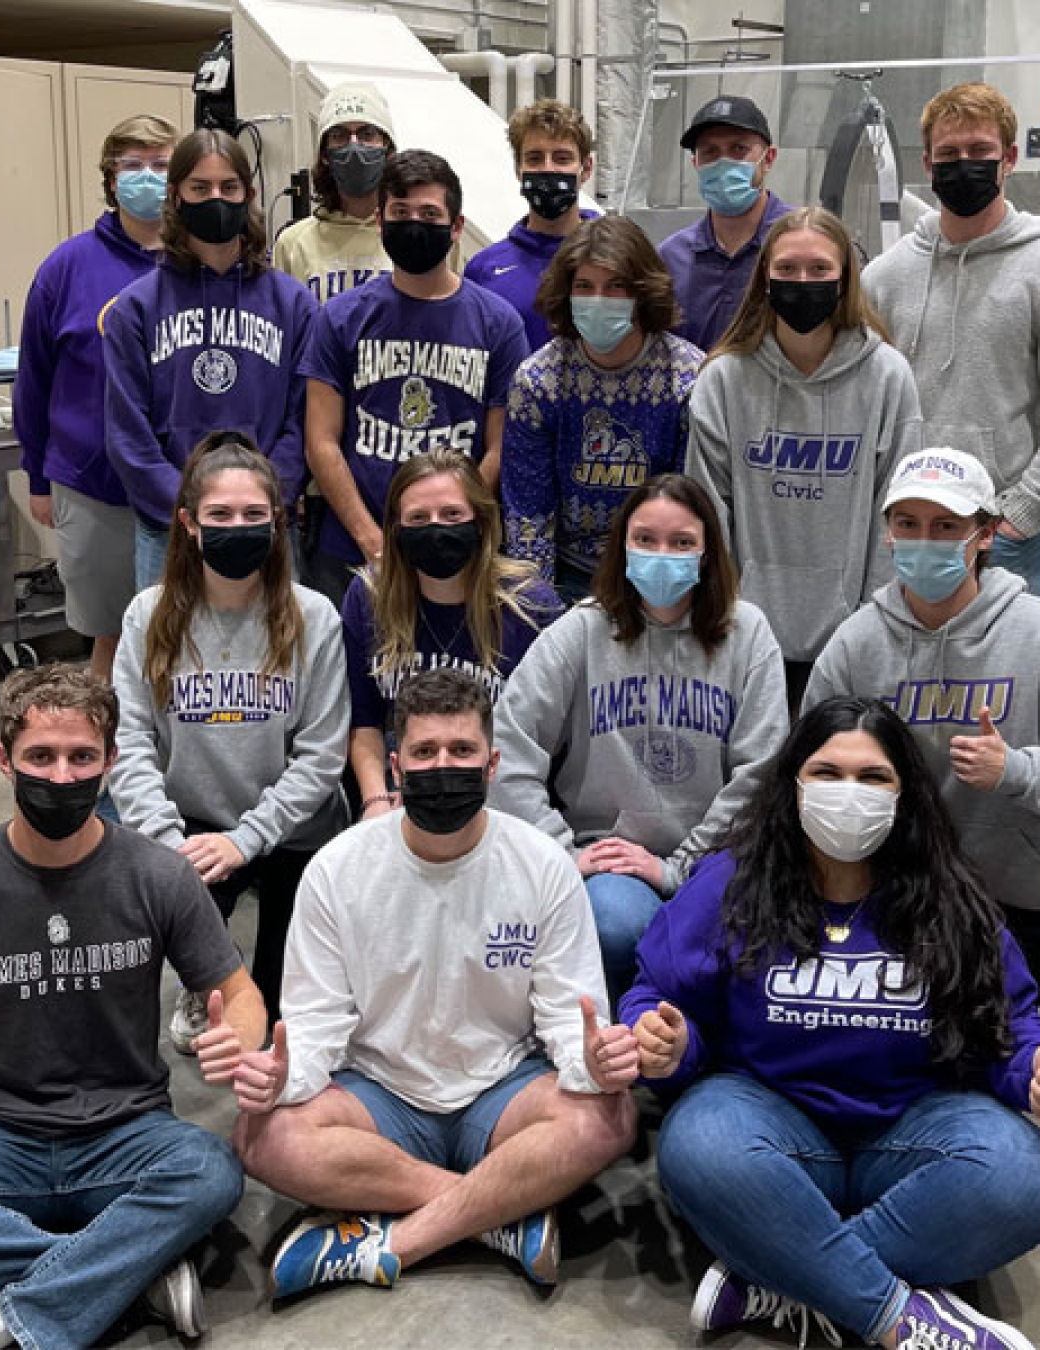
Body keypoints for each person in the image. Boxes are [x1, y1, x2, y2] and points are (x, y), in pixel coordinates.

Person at [623, 695, 1040, 1350]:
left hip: (908, 1132)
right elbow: (659, 997)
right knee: (697, 1143)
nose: (848, 793)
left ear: (905, 794)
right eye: (826, 773)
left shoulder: (948, 893)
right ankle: (896, 1317)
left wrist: (1039, 1073)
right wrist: (668, 1044)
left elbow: (1007, 1028)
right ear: (793, 784)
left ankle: (777, 1278)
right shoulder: (733, 881)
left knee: (1027, 1178)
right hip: (769, 1124)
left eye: (873, 778)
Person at [0, 664, 265, 1350]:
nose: (62, 777)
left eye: (81, 757)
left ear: (110, 762)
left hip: (128, 1135)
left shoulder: (159, 876)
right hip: (2, 1140)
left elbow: (239, 995)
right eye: (41, 756)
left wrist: (239, 1039)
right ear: (4, 759)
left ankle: (2, 1313)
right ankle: (131, 1274)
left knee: (211, 1172)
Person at [229, 668, 638, 1298]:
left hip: (501, 1091)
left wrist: (595, 1061)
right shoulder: (337, 870)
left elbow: (566, 1017)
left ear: (493, 763)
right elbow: (315, 1024)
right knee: (262, 1135)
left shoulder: (543, 866)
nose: (442, 766)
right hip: (380, 1093)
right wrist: (285, 1076)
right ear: (395, 767)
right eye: (425, 752)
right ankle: (495, 1215)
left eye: (461, 751)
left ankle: (394, 1242)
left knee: (607, 1118)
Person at [804, 449, 1040, 1020]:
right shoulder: (855, 645)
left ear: (983, 535)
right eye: (907, 524)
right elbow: (806, 767)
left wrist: (1017, 771)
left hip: (1022, 895)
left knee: (990, 1050)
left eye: (946, 527)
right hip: (898, 889)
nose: (923, 541)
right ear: (887, 533)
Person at [491, 474, 788, 1005]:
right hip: (611, 862)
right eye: (645, 539)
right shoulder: (580, 631)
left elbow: (763, 772)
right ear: (621, 545)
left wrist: (679, 867)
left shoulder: (748, 633)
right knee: (616, 922)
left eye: (681, 543)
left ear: (707, 551)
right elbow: (507, 748)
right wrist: (563, 853)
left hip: (718, 861)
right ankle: (618, 1051)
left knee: (738, 943)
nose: (662, 554)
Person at [110, 435, 348, 1051]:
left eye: (253, 516)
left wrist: (248, 838)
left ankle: (253, 965)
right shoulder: (148, 615)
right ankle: (204, 969)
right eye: (219, 516)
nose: (236, 528)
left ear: (278, 522)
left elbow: (323, 754)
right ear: (189, 524)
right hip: (191, 828)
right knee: (169, 908)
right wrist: (168, 846)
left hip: (295, 829)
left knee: (272, 1021)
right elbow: (128, 743)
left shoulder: (313, 616)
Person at [863, 82, 1040, 596]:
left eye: (980, 151)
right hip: (904, 527)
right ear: (928, 165)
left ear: (1009, 159)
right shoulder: (883, 278)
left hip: (996, 531)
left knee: (1001, 675)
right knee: (897, 671)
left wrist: (1019, 515)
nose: (963, 164)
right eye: (949, 153)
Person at [685, 206, 922, 701]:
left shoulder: (887, 377)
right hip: (745, 632)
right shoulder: (723, 379)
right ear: (765, 277)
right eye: (787, 269)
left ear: (845, 279)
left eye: (819, 269)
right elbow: (708, 511)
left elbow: (899, 512)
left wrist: (875, 625)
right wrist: (723, 615)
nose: (802, 280)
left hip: (853, 635)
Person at [301, 149, 530, 608]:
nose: (414, 225)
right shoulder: (340, 318)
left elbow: (502, 445)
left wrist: (448, 526)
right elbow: (321, 441)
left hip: (460, 550)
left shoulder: (498, 324)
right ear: (381, 223)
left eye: (430, 214)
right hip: (353, 548)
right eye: (400, 213)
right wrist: (374, 542)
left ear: (457, 227)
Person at [104, 128, 319, 589]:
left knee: (278, 654)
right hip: (171, 529)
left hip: (266, 527)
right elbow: (128, 433)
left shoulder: (294, 304)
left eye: (228, 187)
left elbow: (304, 423)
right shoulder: (135, 308)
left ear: (249, 195)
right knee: (167, 656)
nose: (215, 198)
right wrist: (192, 512)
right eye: (200, 188)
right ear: (176, 197)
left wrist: (263, 503)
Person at [15, 113, 177, 683]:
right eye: (132, 166)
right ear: (110, 179)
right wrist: (38, 477)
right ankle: (101, 760)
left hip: (176, 486)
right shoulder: (67, 267)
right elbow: (34, 379)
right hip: (92, 484)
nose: (147, 178)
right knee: (109, 633)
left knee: (176, 635)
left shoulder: (197, 265)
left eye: (160, 165)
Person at [343, 447, 562, 820]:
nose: (436, 528)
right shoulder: (369, 596)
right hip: (402, 789)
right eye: (418, 518)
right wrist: (376, 801)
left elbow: (549, 739)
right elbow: (363, 718)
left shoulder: (530, 606)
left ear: (480, 521)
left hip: (500, 795)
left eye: (451, 515)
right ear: (396, 529)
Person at [502, 215, 705, 603]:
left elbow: (689, 505)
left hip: (658, 566)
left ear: (642, 292)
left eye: (616, 287)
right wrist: (539, 607)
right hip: (568, 572)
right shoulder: (538, 381)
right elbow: (528, 513)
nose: (599, 299)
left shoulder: (690, 379)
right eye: (585, 286)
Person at [659, 94, 793, 352]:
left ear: (768, 158)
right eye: (710, 151)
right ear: (695, 163)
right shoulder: (671, 258)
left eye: (739, 149)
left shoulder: (801, 244)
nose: (723, 162)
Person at [463, 98, 598, 351]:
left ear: (586, 168)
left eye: (561, 158)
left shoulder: (618, 259)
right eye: (535, 159)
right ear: (518, 168)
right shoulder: (483, 270)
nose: (548, 169)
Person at [272, 82, 398, 302]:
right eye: (339, 136)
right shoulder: (293, 244)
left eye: (367, 134)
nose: (354, 146)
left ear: (387, 148)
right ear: (324, 155)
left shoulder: (413, 236)